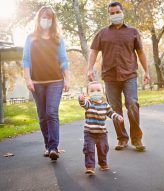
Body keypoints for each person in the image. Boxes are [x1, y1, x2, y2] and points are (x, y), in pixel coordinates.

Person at [87, 1, 150, 152]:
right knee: (115, 109)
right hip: (110, 77)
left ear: (122, 12)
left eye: (117, 12)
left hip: (129, 75)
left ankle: (137, 139)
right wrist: (90, 68)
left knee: (132, 104)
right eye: (112, 13)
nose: (115, 15)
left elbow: (140, 52)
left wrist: (147, 71)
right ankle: (122, 139)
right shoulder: (102, 33)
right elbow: (94, 51)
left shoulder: (133, 32)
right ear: (109, 15)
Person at [22, 6, 70, 161]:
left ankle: (54, 147)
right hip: (37, 82)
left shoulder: (58, 38)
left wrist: (67, 79)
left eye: (49, 18)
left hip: (56, 81)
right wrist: (28, 79)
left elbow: (63, 60)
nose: (46, 20)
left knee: (51, 113)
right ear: (38, 19)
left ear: (53, 20)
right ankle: (48, 146)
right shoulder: (31, 38)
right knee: (42, 116)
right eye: (44, 17)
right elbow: (26, 60)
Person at [79, 81, 123, 174]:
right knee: (89, 149)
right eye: (92, 91)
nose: (96, 92)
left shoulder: (105, 104)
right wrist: (81, 99)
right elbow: (83, 103)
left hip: (102, 133)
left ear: (103, 92)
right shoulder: (89, 103)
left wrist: (117, 117)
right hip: (89, 132)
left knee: (103, 149)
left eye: (98, 90)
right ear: (88, 94)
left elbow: (110, 113)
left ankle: (103, 163)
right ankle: (90, 166)